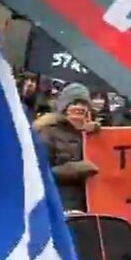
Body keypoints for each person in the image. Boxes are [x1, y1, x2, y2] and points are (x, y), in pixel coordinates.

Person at [34, 82, 102, 213]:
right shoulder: (47, 132)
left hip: (89, 208)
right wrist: (75, 169)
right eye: (74, 103)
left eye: (83, 104)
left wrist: (100, 135)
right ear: (64, 107)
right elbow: (40, 173)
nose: (79, 108)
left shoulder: (90, 134)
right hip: (59, 207)